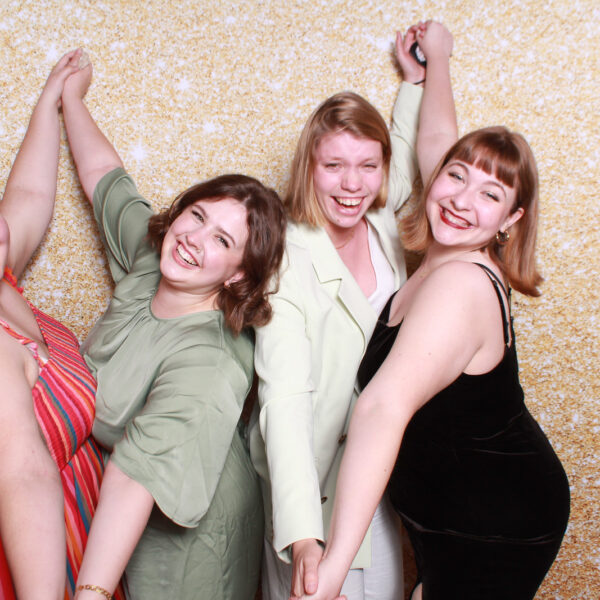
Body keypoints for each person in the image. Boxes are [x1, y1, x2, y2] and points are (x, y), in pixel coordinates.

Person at [301, 22, 570, 600]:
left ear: (511, 219)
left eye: (490, 195)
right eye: (456, 175)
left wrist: (333, 568)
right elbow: (439, 137)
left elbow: (382, 408)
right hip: (444, 512)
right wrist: (435, 63)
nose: (461, 199)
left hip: (495, 520)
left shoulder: (462, 284)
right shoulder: (444, 251)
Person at [58, 54, 286, 600]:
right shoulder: (154, 259)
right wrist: (70, 97)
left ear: (238, 275)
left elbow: (134, 477)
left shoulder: (210, 362)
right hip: (117, 512)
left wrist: (89, 594)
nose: (194, 239)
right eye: (198, 215)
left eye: (222, 241)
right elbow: (104, 178)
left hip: (187, 549)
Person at [248, 22, 435, 600]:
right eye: (333, 166)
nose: (352, 184)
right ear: (309, 166)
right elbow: (284, 398)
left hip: (380, 471)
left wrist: (415, 83)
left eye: (366, 166)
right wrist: (304, 536)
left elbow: (402, 150)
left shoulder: (380, 219)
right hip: (312, 480)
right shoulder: (284, 258)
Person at [0, 50, 123, 600]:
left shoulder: (5, 278)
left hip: (84, 544)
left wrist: (52, 100)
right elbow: (23, 474)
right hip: (39, 569)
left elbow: (28, 197)